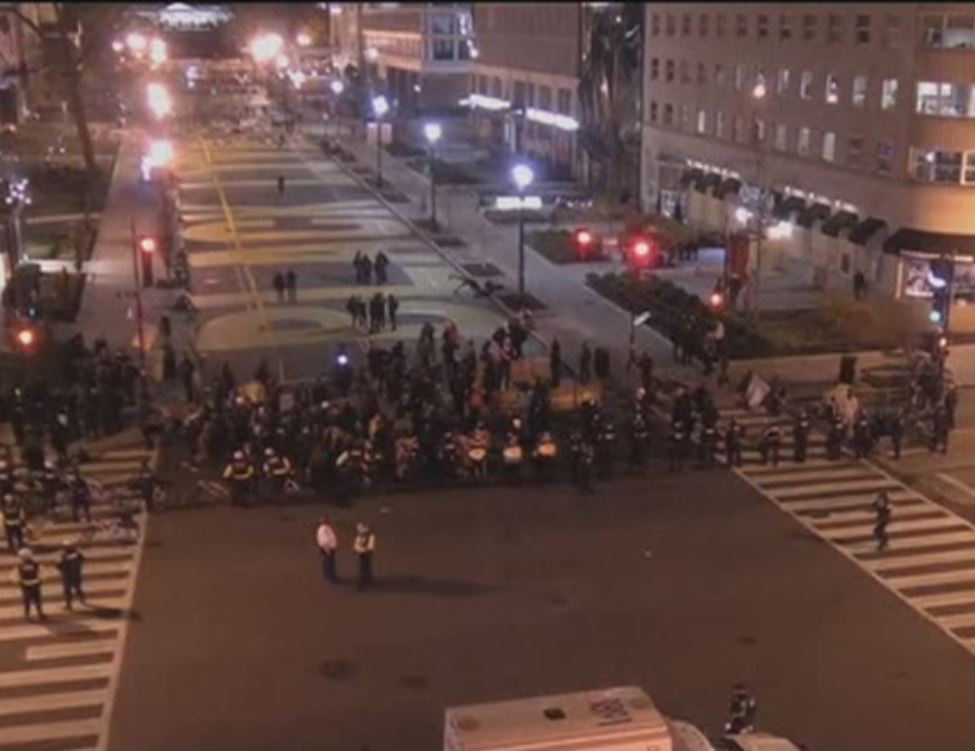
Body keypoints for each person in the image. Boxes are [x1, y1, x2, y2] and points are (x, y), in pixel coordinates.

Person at [12, 548, 45, 621]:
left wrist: (19, 582)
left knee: (27, 601)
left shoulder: (20, 566)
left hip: (26, 585)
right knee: (37, 600)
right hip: (35, 584)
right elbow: (42, 573)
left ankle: (28, 615)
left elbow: (14, 576)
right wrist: (41, 580)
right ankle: (39, 613)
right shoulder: (36, 564)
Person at [56, 541, 85, 610]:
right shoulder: (77, 554)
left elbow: (59, 565)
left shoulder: (63, 555)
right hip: (76, 574)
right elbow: (82, 560)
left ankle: (69, 605)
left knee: (68, 590)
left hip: (68, 575)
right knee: (77, 588)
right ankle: (81, 599)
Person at [353, 522, 376, 591]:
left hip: (366, 554)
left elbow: (371, 546)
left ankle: (367, 581)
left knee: (366, 567)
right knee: (363, 569)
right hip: (362, 554)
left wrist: (364, 550)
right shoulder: (359, 537)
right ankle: (363, 583)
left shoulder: (370, 537)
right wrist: (360, 550)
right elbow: (356, 546)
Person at [316, 517, 338, 583]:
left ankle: (329, 575)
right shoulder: (324, 529)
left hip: (327, 547)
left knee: (328, 561)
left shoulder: (324, 528)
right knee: (329, 562)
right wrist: (327, 548)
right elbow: (324, 540)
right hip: (327, 548)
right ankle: (330, 576)